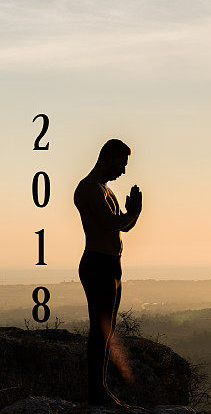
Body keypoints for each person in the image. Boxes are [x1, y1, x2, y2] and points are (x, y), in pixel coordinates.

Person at [74, 139, 142, 406]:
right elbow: (108, 223)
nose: (123, 171)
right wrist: (133, 212)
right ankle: (97, 392)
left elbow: (122, 227)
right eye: (121, 164)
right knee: (100, 329)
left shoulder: (105, 190)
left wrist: (133, 214)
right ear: (109, 158)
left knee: (108, 329)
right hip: (97, 263)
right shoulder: (90, 189)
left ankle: (99, 390)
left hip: (111, 264)